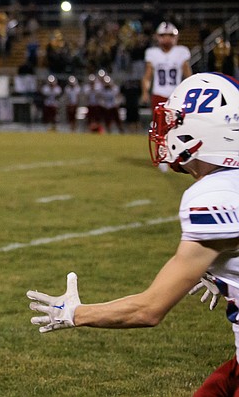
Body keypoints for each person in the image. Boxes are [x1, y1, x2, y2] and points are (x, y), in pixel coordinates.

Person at [27, 72, 239, 396]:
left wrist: (75, 313)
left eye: (174, 120)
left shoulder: (214, 195)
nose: (166, 129)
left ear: (201, 132)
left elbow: (149, 309)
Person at [141, 21, 192, 171]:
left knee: (180, 128)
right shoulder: (153, 53)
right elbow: (147, 76)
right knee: (160, 129)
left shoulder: (181, 52)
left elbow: (187, 74)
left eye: (170, 35)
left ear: (176, 37)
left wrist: (190, 91)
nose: (167, 39)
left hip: (176, 95)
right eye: (163, 35)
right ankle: (163, 157)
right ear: (158, 37)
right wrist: (145, 92)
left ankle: (179, 155)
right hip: (159, 95)